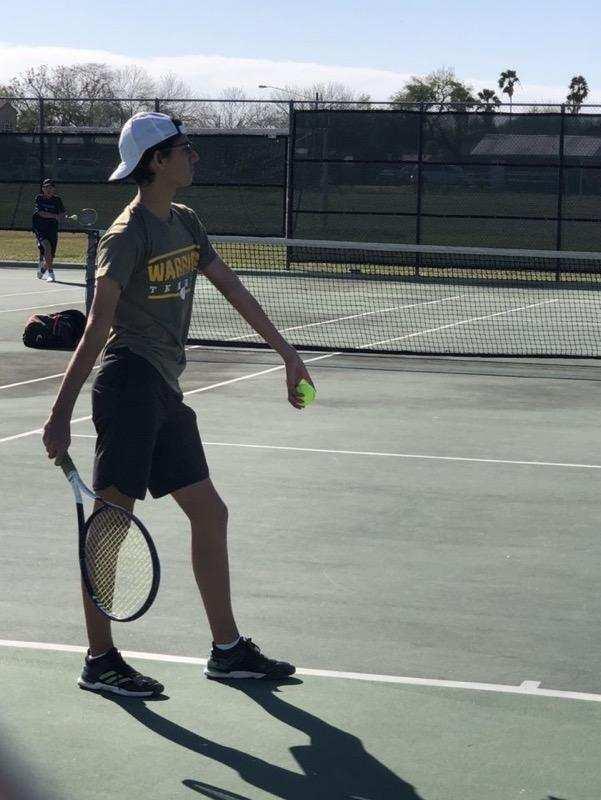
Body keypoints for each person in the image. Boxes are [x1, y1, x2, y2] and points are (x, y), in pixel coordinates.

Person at [42, 112, 315, 697]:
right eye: (184, 148)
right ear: (157, 161)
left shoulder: (186, 222)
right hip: (128, 385)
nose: (194, 156)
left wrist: (287, 353)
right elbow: (97, 324)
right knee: (112, 523)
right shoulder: (127, 234)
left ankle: (227, 651)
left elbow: (232, 286)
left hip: (164, 389)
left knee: (210, 513)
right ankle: (100, 659)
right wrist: (61, 412)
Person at [32, 179, 68, 282]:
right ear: (43, 189)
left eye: (50, 187)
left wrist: (63, 216)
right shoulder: (39, 198)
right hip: (40, 228)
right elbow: (41, 213)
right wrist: (55, 216)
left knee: (51, 255)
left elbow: (63, 213)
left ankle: (43, 269)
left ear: (54, 189)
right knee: (47, 247)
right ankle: (51, 273)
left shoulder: (57, 200)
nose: (48, 189)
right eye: (46, 187)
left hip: (52, 229)